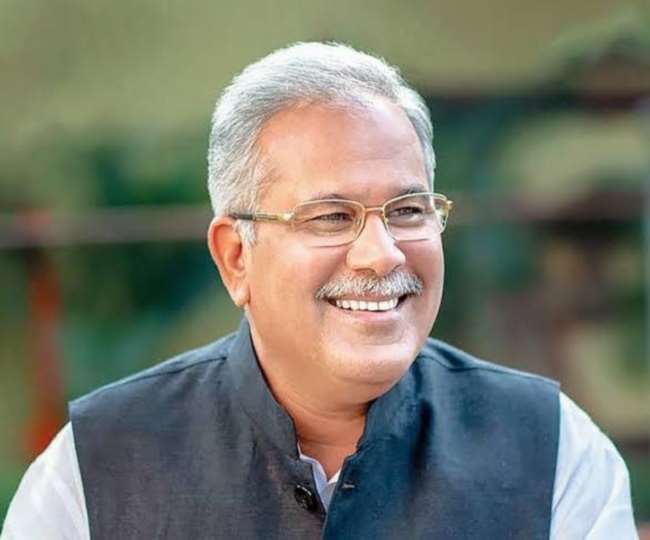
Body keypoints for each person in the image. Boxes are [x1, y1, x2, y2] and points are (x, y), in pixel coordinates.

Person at [2, 42, 637, 539]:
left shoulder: (552, 449)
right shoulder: (96, 469)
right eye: (331, 217)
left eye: (408, 210)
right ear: (235, 257)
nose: (382, 252)